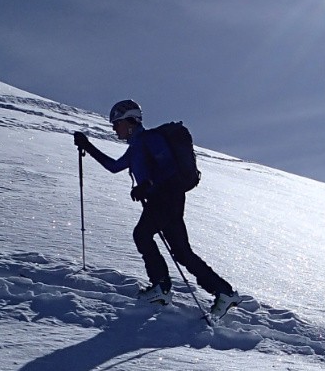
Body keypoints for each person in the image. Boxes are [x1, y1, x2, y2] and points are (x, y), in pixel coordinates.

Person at [75, 100, 238, 318]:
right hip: (165, 199)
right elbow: (114, 167)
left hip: (166, 197)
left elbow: (169, 166)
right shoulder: (135, 147)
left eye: (117, 123)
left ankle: (160, 287)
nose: (114, 128)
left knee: (142, 234)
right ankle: (224, 292)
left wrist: (147, 185)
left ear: (130, 122)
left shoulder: (149, 139)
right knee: (181, 252)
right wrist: (87, 146)